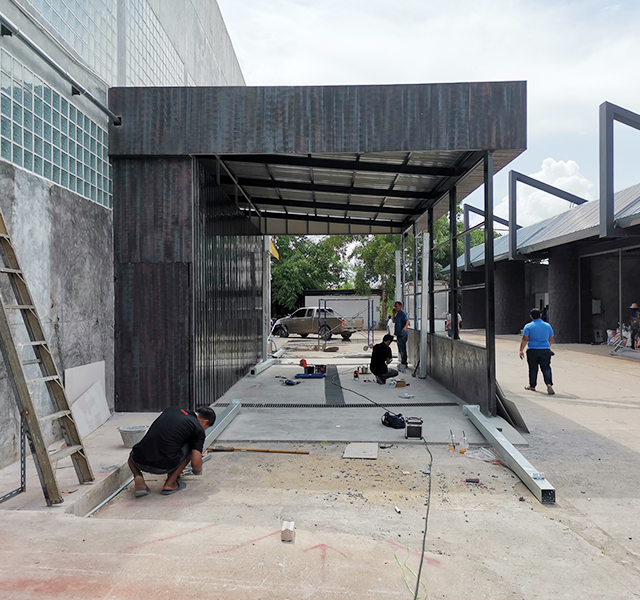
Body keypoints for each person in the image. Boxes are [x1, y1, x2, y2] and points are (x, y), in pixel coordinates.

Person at [128, 405, 216, 497]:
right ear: (205, 422)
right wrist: (198, 469)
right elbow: (196, 463)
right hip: (164, 466)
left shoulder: (171, 410)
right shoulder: (198, 429)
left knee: (134, 452)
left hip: (139, 460)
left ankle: (138, 478)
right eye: (206, 427)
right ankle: (170, 484)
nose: (204, 429)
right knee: (191, 449)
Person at [519, 308, 555, 395]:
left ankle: (532, 386)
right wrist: (547, 347)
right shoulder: (547, 326)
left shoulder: (528, 326)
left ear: (531, 316)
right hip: (545, 350)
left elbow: (525, 339)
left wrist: (521, 350)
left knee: (533, 369)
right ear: (541, 315)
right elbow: (551, 339)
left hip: (532, 350)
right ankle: (549, 384)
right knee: (546, 368)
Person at [392, 301, 409, 372]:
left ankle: (404, 362)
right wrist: (393, 314)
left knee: (402, 348)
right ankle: (403, 361)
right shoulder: (397, 314)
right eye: (395, 306)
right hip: (398, 334)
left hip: (402, 334)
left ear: (400, 307)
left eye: (397, 306)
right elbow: (393, 321)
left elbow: (407, 321)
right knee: (400, 349)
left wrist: (405, 327)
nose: (395, 308)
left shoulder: (402, 313)